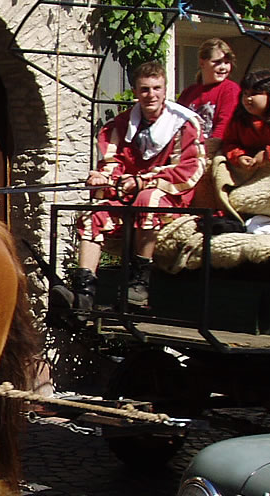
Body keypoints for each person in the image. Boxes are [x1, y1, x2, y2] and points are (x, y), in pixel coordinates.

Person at [52, 61, 204, 314]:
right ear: (135, 91)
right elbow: (115, 163)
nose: (151, 95)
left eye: (157, 88)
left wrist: (144, 180)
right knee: (93, 214)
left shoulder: (184, 123)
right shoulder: (123, 124)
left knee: (148, 198)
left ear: (165, 90)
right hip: (129, 194)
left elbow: (189, 168)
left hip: (169, 194)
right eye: (144, 89)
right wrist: (104, 178)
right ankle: (84, 293)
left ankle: (139, 282)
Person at [176, 38, 240, 155]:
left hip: (215, 151)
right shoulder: (189, 93)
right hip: (186, 151)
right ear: (202, 63)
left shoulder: (229, 89)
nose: (223, 67)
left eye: (227, 62)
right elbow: (176, 123)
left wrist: (206, 151)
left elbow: (225, 124)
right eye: (217, 62)